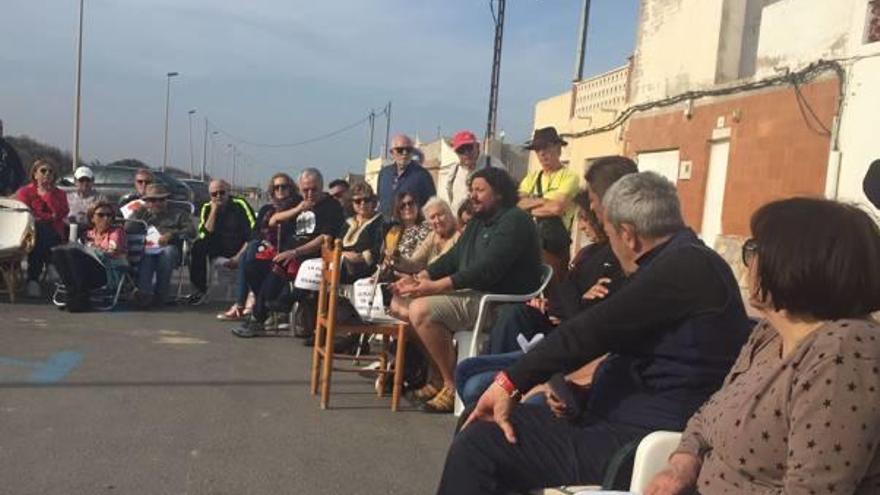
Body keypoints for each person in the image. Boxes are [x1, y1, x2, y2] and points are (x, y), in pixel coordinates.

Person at [437, 172, 752, 494]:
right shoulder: (683, 262)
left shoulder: (685, 267)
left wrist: (510, 382)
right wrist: (579, 391)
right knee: (479, 422)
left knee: (480, 444)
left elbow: (593, 331)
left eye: (611, 235)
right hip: (615, 417)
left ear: (628, 235)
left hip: (640, 438)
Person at [645, 197, 880, 495]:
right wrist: (682, 463)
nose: (748, 259)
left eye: (754, 249)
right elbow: (709, 414)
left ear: (795, 260)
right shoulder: (769, 333)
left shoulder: (845, 351)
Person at [393, 167, 542, 413]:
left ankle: (452, 386)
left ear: (500, 194)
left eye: (480, 190)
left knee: (420, 310)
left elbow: (488, 269)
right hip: (475, 295)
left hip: (498, 301)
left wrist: (435, 286)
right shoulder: (477, 223)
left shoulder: (515, 220)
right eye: (471, 190)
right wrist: (420, 278)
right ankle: (439, 378)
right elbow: (453, 258)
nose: (472, 195)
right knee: (402, 304)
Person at [232, 168, 345, 338]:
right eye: (305, 190)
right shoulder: (300, 203)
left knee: (278, 268)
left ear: (321, 187)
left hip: (309, 254)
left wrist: (295, 252)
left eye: (314, 189)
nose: (309, 193)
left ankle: (258, 318)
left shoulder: (331, 206)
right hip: (288, 250)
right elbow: (273, 220)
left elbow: (325, 238)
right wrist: (298, 209)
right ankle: (271, 304)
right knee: (252, 264)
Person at [217, 173, 302, 321]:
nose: (280, 190)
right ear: (272, 190)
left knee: (249, 256)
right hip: (263, 250)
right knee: (248, 253)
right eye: (276, 187)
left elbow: (293, 235)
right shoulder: (266, 209)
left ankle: (245, 304)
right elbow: (254, 234)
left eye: (284, 186)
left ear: (291, 188)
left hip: (283, 252)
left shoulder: (297, 208)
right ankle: (246, 303)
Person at [518, 127, 580, 281]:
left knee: (555, 293)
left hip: (554, 248)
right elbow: (516, 204)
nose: (542, 153)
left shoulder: (569, 177)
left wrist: (529, 206)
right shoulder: (531, 178)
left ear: (558, 149)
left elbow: (556, 208)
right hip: (529, 244)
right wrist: (543, 201)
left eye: (546, 147)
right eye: (538, 149)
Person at [187, 179, 256, 305]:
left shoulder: (240, 204)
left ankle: (250, 294)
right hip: (218, 247)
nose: (218, 196)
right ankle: (199, 291)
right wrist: (214, 211)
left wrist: (238, 257)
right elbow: (204, 234)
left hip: (240, 246)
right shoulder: (207, 207)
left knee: (254, 243)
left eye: (222, 192)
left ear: (228, 192)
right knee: (198, 246)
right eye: (214, 194)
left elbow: (253, 232)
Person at [51, 201, 127, 312]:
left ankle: (80, 298)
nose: (106, 218)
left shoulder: (117, 232)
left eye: (109, 215)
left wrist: (90, 249)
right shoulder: (87, 234)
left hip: (107, 272)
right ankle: (73, 294)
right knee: (59, 253)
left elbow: (111, 252)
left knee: (75, 254)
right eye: (101, 215)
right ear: (92, 218)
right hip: (85, 272)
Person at [131, 183, 195, 307]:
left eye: (161, 199)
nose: (157, 203)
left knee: (167, 253)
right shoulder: (143, 214)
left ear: (166, 200)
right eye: (153, 200)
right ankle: (144, 294)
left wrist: (172, 234)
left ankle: (161, 295)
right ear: (147, 201)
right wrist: (139, 212)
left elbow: (191, 231)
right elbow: (129, 228)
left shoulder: (178, 214)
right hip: (149, 248)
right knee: (146, 256)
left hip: (172, 249)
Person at [15, 158, 69, 297]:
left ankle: (33, 280)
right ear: (35, 174)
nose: (47, 174)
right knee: (39, 228)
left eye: (50, 171)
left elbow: (60, 212)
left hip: (54, 234)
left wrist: (48, 194)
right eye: (43, 170)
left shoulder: (59, 194)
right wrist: (48, 217)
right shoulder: (24, 192)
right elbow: (25, 212)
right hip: (28, 233)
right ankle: (50, 262)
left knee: (41, 232)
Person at [391, 197, 459, 274]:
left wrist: (418, 278)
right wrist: (397, 258)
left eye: (440, 215)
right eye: (432, 217)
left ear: (449, 213)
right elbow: (414, 263)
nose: (437, 221)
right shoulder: (432, 236)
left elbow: (439, 264)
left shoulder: (458, 235)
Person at [376, 134, 436, 218]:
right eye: (400, 150)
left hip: (411, 227)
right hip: (386, 227)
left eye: (408, 150)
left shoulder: (423, 175)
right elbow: (380, 201)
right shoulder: (384, 174)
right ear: (392, 152)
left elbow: (431, 205)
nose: (405, 153)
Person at [444, 130, 502, 212]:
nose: (466, 153)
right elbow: (450, 197)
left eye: (469, 147)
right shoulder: (454, 171)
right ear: (456, 153)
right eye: (461, 150)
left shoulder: (493, 165)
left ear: (477, 147)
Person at [339, 181, 384, 283]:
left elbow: (380, 248)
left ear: (373, 201)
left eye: (366, 200)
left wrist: (361, 257)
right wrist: (344, 255)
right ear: (352, 203)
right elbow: (337, 244)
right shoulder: (348, 222)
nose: (362, 203)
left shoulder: (380, 221)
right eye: (358, 201)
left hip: (366, 268)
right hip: (342, 264)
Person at [0, 119, 26, 196]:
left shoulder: (8, 149)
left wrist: (12, 188)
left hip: (3, 193)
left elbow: (20, 172)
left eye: (0, 128)